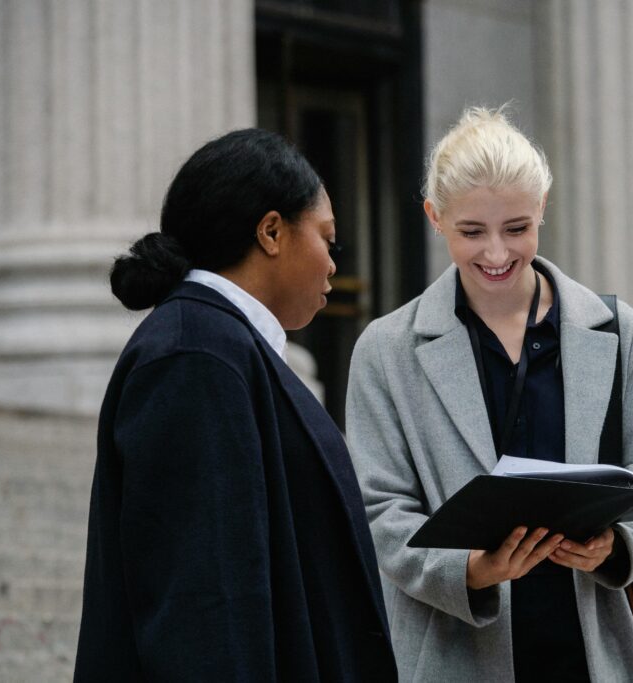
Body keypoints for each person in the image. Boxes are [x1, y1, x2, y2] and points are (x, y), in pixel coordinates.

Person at [345, 107, 633, 682]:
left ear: (543, 211)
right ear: (434, 217)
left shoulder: (616, 328)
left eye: (517, 228)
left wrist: (617, 545)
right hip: (453, 655)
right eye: (471, 232)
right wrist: (471, 569)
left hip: (593, 652)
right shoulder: (385, 350)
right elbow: (379, 510)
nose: (497, 255)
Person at [74, 129, 397, 682]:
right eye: (328, 240)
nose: (332, 266)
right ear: (272, 232)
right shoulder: (196, 354)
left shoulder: (221, 346)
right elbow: (204, 604)